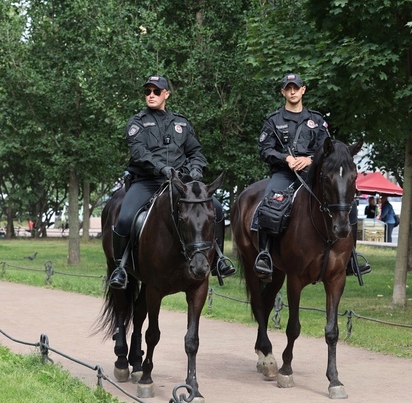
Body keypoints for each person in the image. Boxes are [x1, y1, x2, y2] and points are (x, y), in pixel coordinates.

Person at [108, 75, 235, 289]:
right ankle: (121, 268)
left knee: (218, 209)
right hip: (147, 182)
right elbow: (139, 153)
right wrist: (162, 168)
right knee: (125, 219)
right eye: (147, 91)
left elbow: (196, 152)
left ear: (166, 94)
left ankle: (218, 261)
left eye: (156, 91)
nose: (151, 95)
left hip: (180, 184)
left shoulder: (181, 123)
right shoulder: (137, 122)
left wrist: (195, 169)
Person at [255, 73, 370, 281]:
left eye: (296, 88)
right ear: (283, 92)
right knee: (269, 202)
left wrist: (309, 160)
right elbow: (264, 149)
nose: (292, 91)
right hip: (284, 173)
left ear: (303, 90)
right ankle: (264, 254)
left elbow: (327, 150)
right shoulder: (273, 120)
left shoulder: (316, 120)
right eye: (288, 88)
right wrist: (286, 158)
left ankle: (351, 256)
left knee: (347, 203)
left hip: (312, 174)